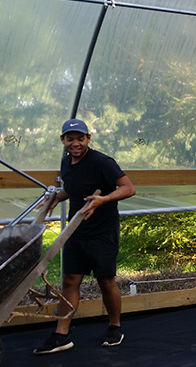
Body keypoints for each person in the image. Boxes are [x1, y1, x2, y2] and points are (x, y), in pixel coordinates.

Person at [33, 118, 136, 354]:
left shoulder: (102, 162)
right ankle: (61, 334)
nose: (75, 144)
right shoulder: (66, 163)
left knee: (105, 280)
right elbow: (74, 186)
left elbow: (128, 188)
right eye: (70, 139)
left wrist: (103, 200)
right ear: (63, 141)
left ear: (88, 139)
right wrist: (57, 197)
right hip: (76, 230)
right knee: (70, 280)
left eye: (80, 139)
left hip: (102, 232)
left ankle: (115, 326)